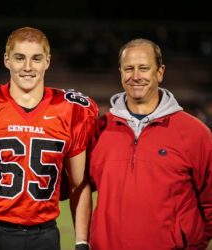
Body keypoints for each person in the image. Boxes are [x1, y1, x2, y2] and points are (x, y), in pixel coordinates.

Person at [0, 27, 98, 250]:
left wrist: (81, 242)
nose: (28, 67)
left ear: (47, 61)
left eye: (36, 58)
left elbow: (79, 184)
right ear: (7, 60)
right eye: (20, 58)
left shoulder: (71, 109)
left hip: (43, 234)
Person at [89, 38, 212, 249]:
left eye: (144, 68)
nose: (136, 76)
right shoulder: (99, 129)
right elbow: (78, 188)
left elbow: (209, 202)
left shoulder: (195, 133)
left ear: (160, 72)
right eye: (129, 68)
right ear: (120, 72)